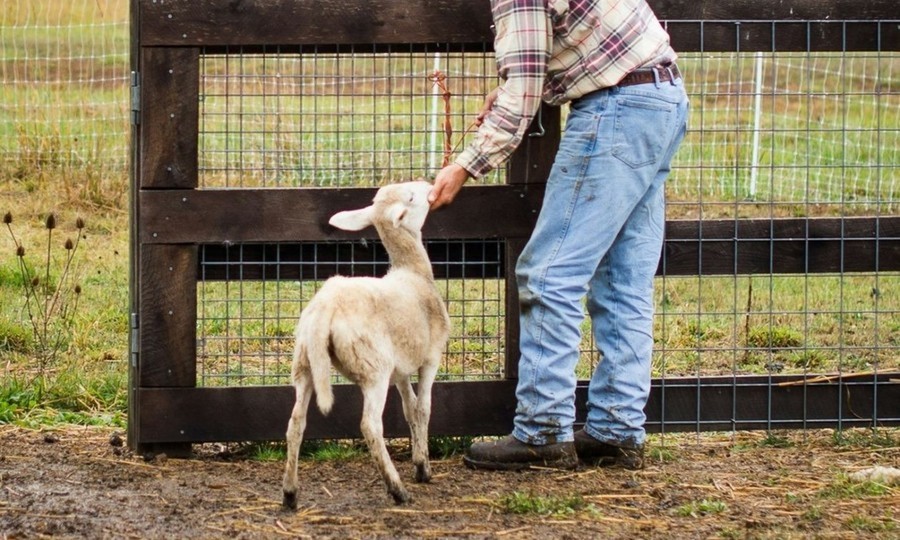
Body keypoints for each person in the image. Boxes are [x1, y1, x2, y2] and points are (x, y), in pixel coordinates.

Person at [427, 0, 689, 471]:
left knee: (548, 275)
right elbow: (577, 47)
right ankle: (616, 428)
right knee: (623, 280)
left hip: (618, 110)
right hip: (662, 98)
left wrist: (465, 166)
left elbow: (523, 92)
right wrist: (515, 88)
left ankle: (542, 431)